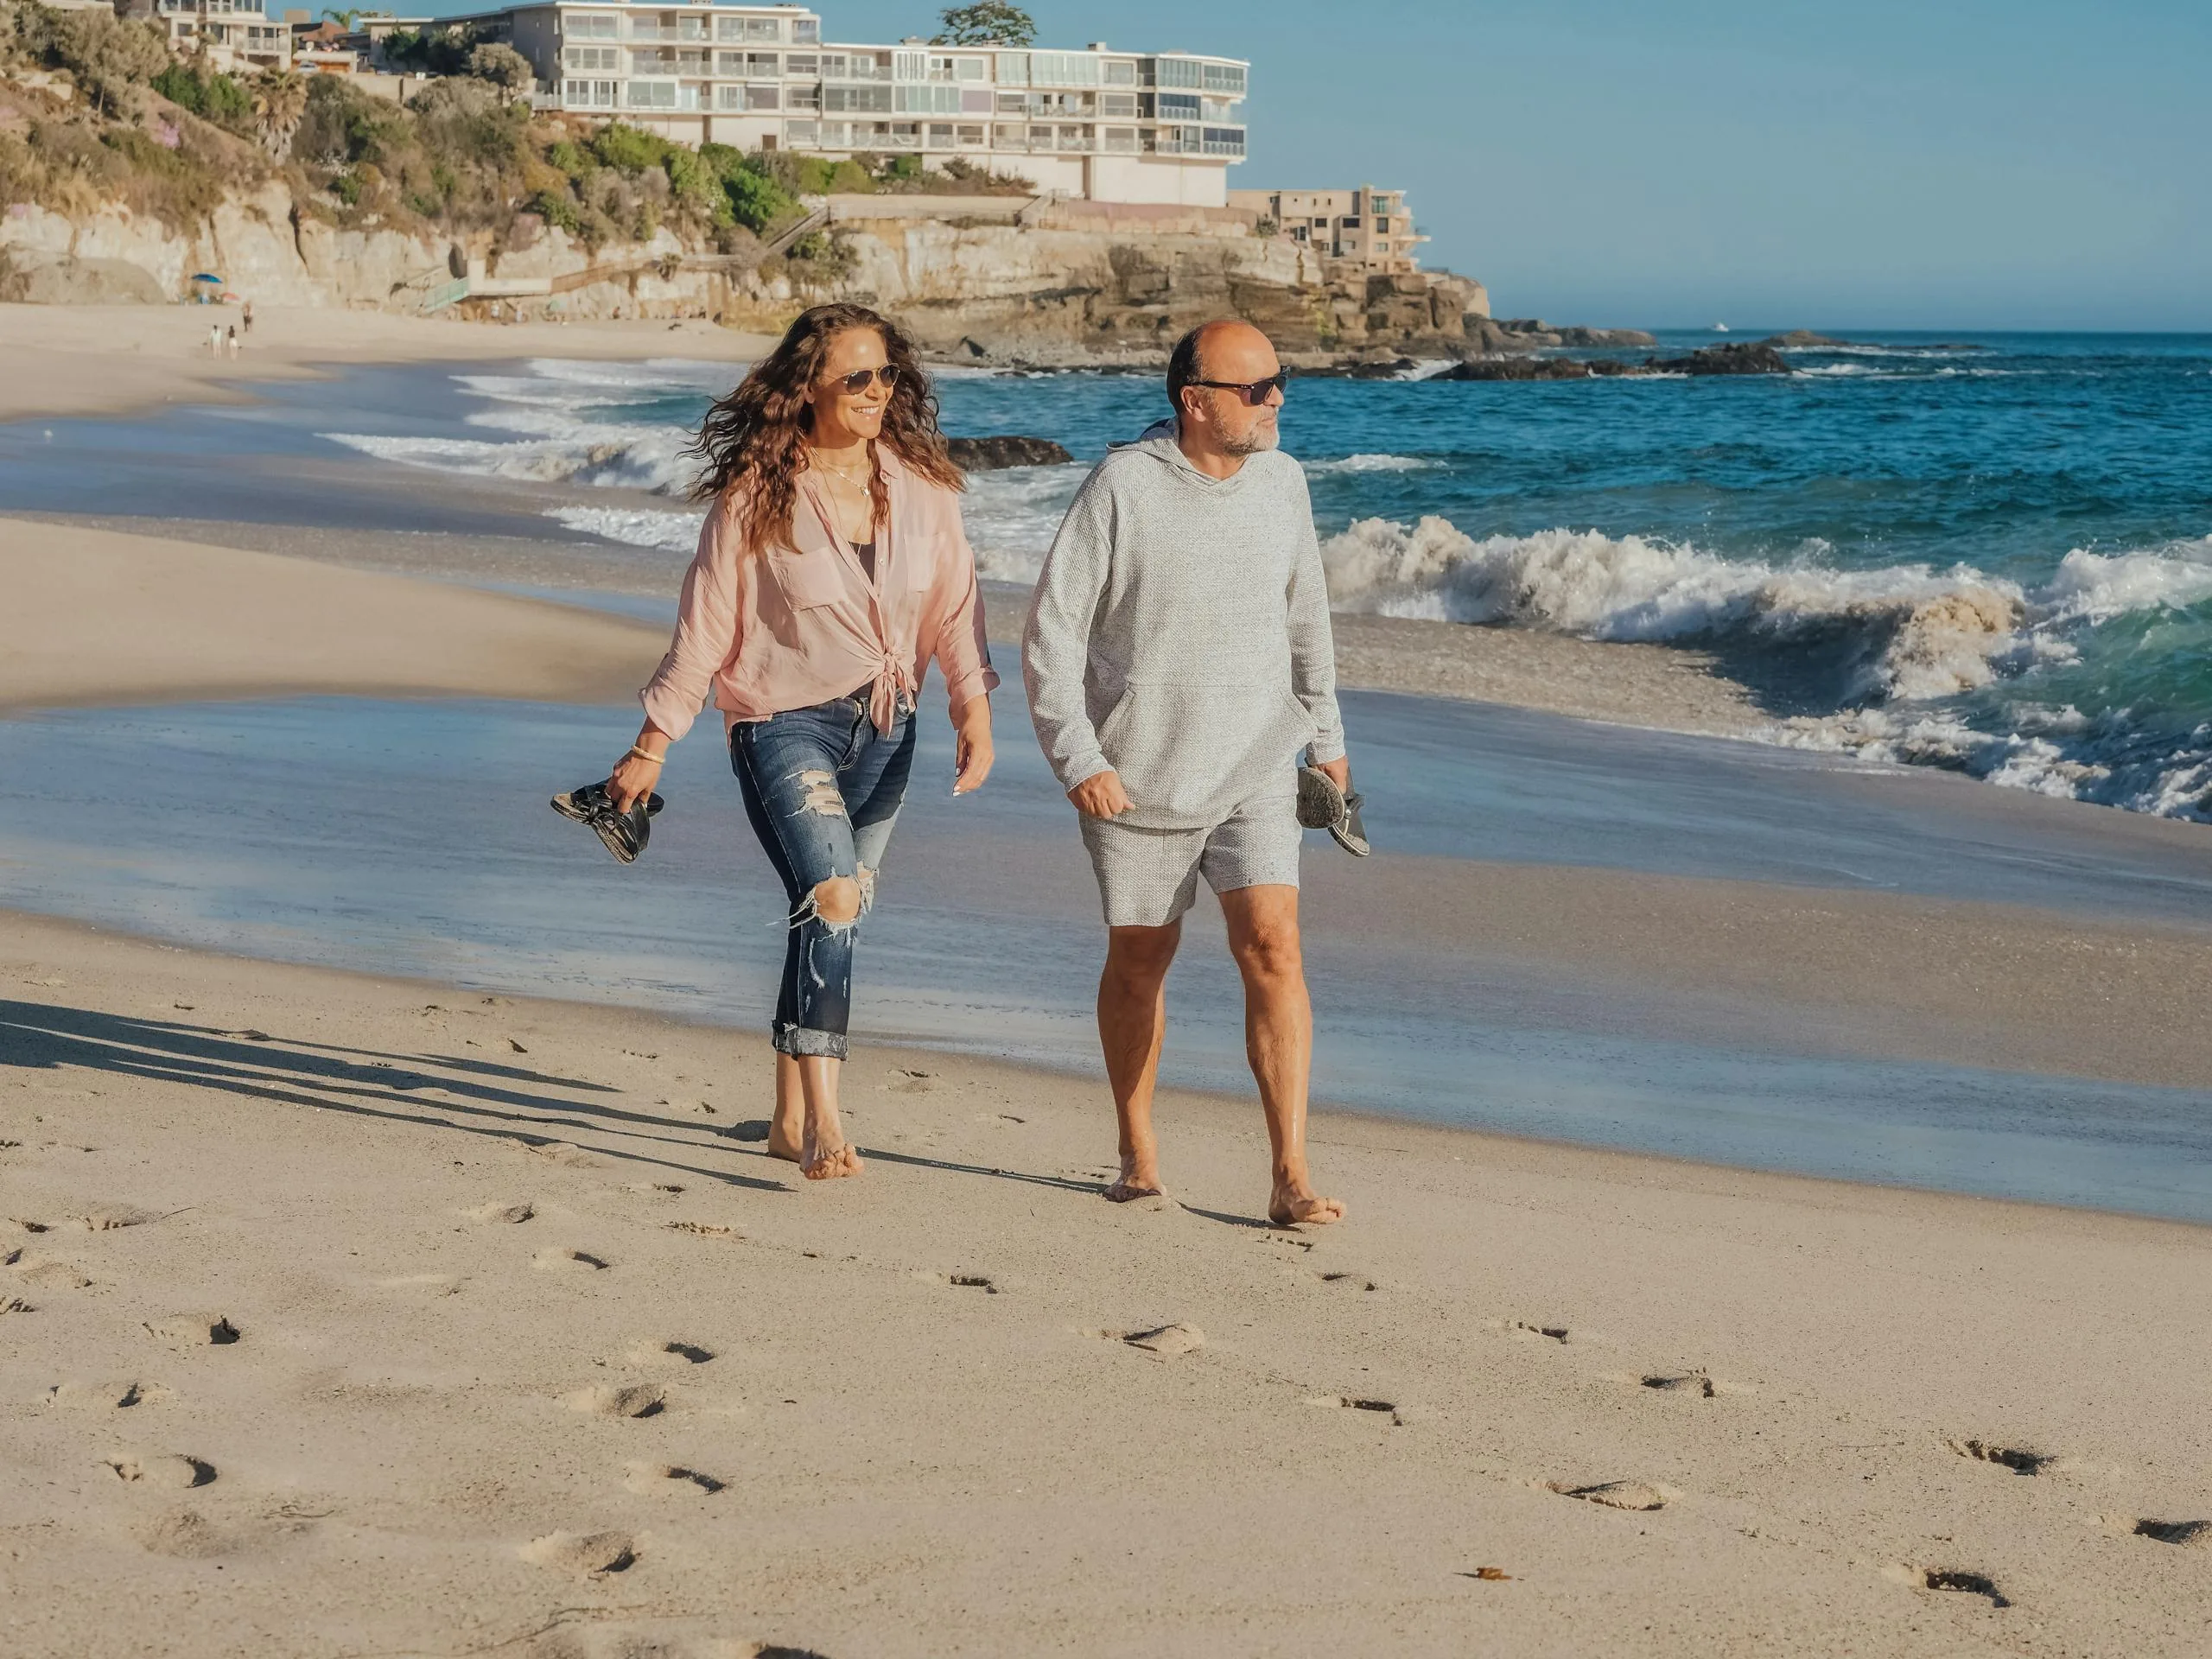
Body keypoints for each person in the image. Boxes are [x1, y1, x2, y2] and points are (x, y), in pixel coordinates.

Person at [607, 303, 999, 1179]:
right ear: (810, 388)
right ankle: (825, 1120)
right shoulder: (758, 493)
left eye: (886, 375)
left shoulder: (924, 488)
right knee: (832, 898)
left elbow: (955, 606)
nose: (876, 390)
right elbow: (704, 628)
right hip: (783, 724)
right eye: (856, 376)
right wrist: (652, 741)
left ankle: (786, 1118)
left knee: (832, 910)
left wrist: (972, 709)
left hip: (888, 728)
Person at [1022, 319, 1350, 1227]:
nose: (1276, 398)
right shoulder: (1124, 485)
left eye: (1280, 382)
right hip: (1140, 774)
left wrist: (1324, 734)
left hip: (1257, 758)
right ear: (1194, 401)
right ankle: (1135, 1146)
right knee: (1141, 961)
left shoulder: (1283, 483)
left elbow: (1305, 615)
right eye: (1255, 389)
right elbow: (1052, 631)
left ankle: (1290, 1174)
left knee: (1274, 948)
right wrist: (1078, 757)